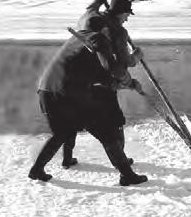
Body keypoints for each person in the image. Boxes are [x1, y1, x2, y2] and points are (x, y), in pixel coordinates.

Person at [28, 16, 147, 186]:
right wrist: (131, 73)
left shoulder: (77, 42)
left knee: (62, 133)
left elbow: (101, 77)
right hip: (66, 94)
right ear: (104, 29)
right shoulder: (96, 38)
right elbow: (110, 69)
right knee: (105, 132)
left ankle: (37, 169)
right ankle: (127, 175)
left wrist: (130, 84)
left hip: (46, 90)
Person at [62, 0, 143, 168]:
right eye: (127, 14)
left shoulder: (90, 17)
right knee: (115, 121)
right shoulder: (119, 32)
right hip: (102, 80)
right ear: (120, 13)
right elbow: (123, 63)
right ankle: (121, 161)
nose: (127, 19)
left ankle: (66, 158)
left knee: (74, 117)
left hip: (78, 78)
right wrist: (137, 55)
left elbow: (91, 7)